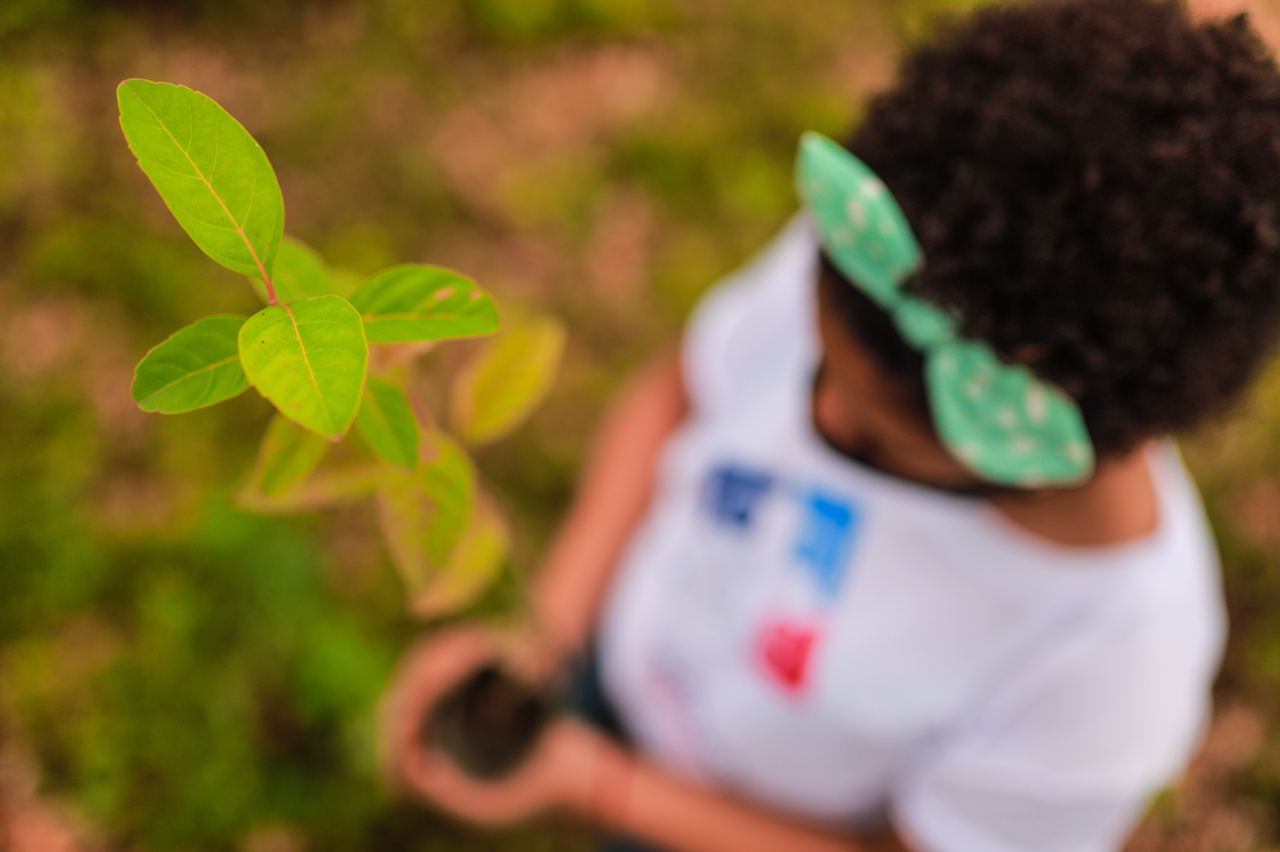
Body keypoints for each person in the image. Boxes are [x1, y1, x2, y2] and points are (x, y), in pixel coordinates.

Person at [380, 1, 1280, 849]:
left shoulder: (1111, 663)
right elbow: (672, 397)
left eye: (875, 442)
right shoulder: (884, 272)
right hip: (622, 665)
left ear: (1053, 455)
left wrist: (602, 787)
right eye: (818, 367)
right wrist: (549, 635)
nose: (819, 414)